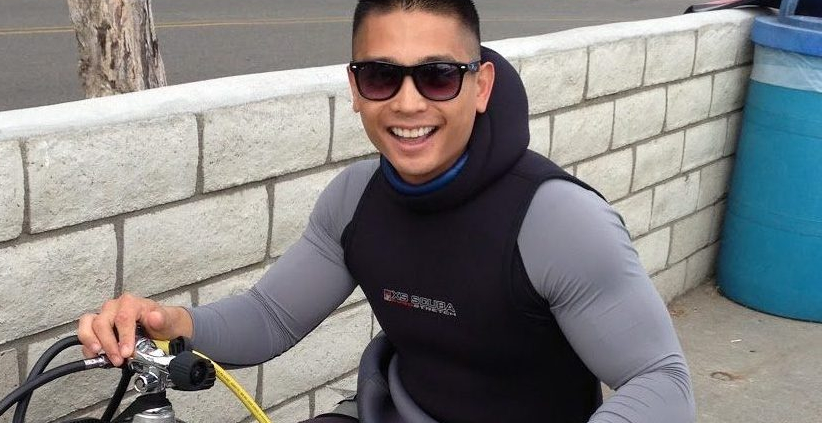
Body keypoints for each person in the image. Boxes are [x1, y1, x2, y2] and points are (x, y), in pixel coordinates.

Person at [78, 1, 695, 422]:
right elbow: (270, 317)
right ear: (354, 87)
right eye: (380, 76)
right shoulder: (355, 200)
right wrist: (167, 320)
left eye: (437, 77)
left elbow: (660, 380)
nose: (406, 103)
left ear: (480, 88)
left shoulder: (555, 221)